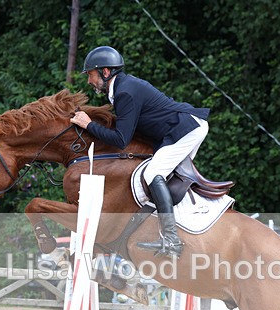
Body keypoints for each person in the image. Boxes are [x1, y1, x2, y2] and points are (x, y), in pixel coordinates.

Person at [70, 46, 210, 258]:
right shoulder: (121, 89)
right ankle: (177, 229)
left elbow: (120, 140)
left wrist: (89, 125)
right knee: (163, 179)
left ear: (105, 72)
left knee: (153, 174)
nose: (89, 80)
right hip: (178, 130)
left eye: (90, 74)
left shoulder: (125, 91)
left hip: (185, 128)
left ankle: (172, 240)